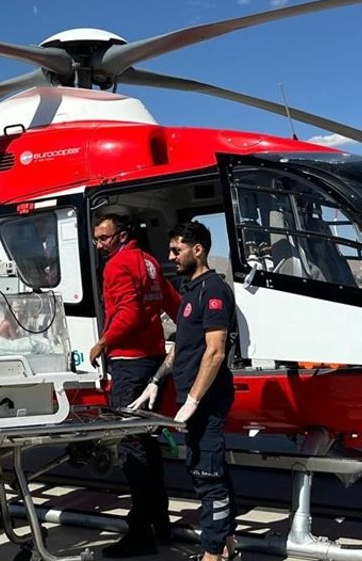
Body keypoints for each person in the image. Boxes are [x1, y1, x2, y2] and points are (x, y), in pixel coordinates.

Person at [132, 221, 236, 561]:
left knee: (208, 477)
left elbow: (215, 350)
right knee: (206, 469)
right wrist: (157, 380)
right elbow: (181, 345)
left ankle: (212, 554)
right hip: (189, 397)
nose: (170, 256)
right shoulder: (190, 290)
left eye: (177, 250)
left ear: (198, 249)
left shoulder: (214, 290)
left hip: (207, 400)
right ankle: (226, 544)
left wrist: (194, 399)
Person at [88, 213, 180, 557]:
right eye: (97, 238)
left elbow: (127, 311)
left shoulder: (118, 265)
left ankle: (140, 532)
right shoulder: (149, 261)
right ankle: (160, 522)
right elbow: (171, 301)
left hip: (129, 362)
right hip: (153, 358)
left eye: (103, 238)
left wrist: (102, 342)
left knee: (131, 447)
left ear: (121, 235)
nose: (99, 244)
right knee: (147, 442)